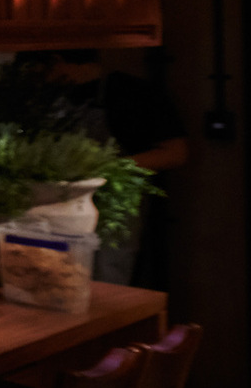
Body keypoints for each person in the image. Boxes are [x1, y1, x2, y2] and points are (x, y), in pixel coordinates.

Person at [24, 49, 191, 286]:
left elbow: (176, 153)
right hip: (63, 207)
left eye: (39, 71)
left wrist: (104, 167)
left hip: (117, 206)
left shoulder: (131, 92)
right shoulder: (57, 98)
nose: (41, 80)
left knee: (108, 278)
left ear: (55, 61)